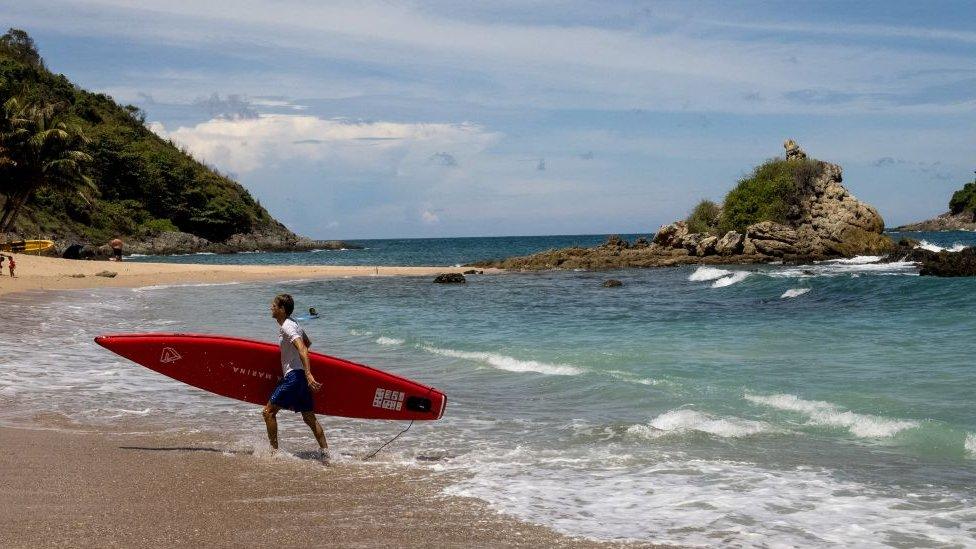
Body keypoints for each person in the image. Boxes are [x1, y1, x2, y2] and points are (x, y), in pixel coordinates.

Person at [263, 294, 329, 461]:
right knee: (309, 417)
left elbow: (303, 348)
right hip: (299, 377)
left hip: (294, 376)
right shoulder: (294, 324)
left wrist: (308, 374)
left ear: (282, 309)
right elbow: (308, 342)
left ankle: (274, 453)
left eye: (274, 305)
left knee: (268, 413)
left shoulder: (287, 327)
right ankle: (326, 454)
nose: (271, 308)